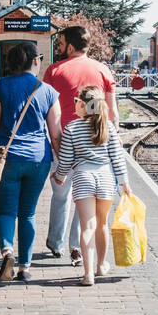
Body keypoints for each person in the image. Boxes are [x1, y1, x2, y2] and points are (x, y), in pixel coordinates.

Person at [0, 41, 61, 283]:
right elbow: (55, 132)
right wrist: (62, 163)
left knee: (5, 211)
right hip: (38, 159)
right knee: (28, 213)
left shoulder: (1, 86)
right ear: (35, 61)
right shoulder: (47, 91)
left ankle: (7, 252)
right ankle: (24, 267)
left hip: (7, 158)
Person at [43, 25, 119, 266]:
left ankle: (56, 243)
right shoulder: (103, 70)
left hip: (66, 139)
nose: (59, 47)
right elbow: (112, 114)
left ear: (71, 46)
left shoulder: (54, 71)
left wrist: (56, 145)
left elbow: (51, 114)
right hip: (95, 144)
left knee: (61, 194)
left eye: (61, 43)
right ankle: (76, 246)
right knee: (84, 197)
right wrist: (109, 143)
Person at [54, 84, 130, 287]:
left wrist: (59, 176)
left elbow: (66, 159)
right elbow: (117, 158)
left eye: (77, 102)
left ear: (83, 105)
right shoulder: (108, 127)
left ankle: (87, 274)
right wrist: (124, 183)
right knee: (102, 225)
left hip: (83, 178)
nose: (75, 105)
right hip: (105, 177)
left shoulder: (71, 128)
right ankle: (101, 265)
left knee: (87, 226)